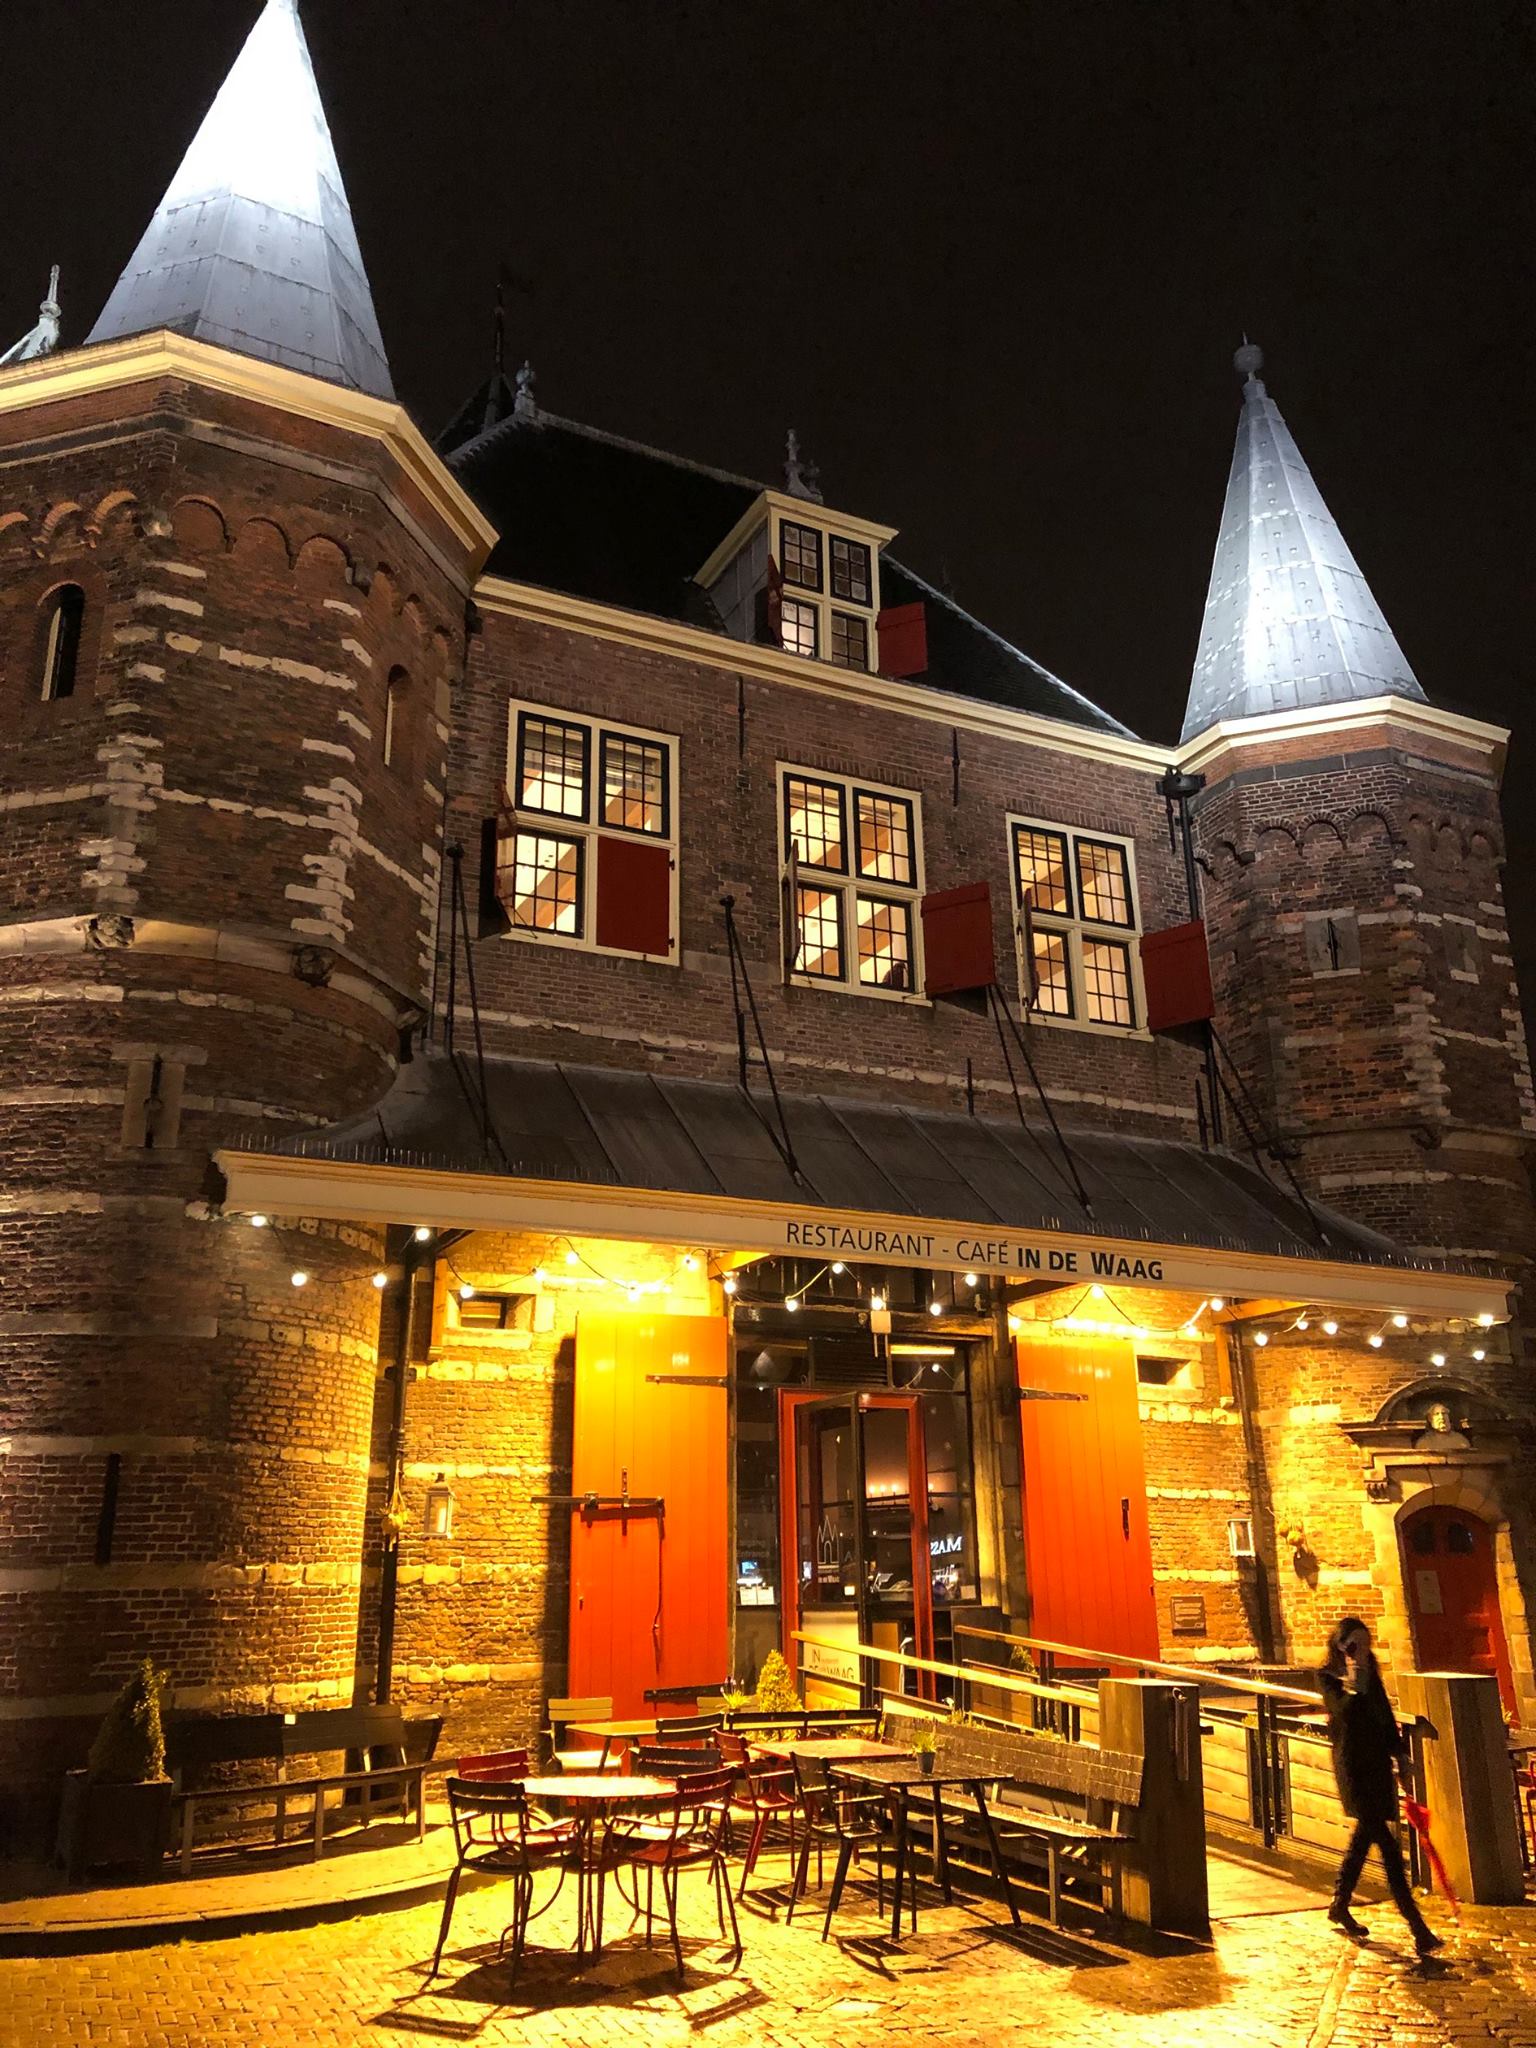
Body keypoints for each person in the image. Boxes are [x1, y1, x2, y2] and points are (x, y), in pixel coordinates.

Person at [1319, 1615, 1442, 1956]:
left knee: (1362, 1840)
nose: (1361, 1650)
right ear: (1340, 1645)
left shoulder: (1371, 1675)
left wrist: (1399, 1754)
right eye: (1354, 1644)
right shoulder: (1328, 1677)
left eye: (1365, 1643)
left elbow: (1384, 1717)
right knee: (1388, 1849)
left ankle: (1339, 1904)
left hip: (1377, 1767)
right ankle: (1418, 1928)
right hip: (1354, 1768)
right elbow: (1343, 1712)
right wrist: (1353, 1677)